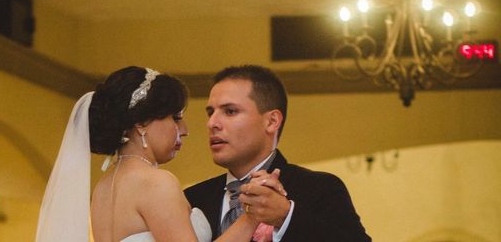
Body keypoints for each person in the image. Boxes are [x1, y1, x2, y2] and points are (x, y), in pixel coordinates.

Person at [35, 66, 266, 242]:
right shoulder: (156, 182)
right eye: (175, 118)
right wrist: (252, 218)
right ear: (141, 123)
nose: (184, 130)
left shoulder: (104, 187)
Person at [184, 65, 371, 242]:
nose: (212, 123)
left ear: (272, 121)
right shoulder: (193, 198)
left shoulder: (319, 189)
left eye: (230, 111)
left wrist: (286, 217)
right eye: (210, 113)